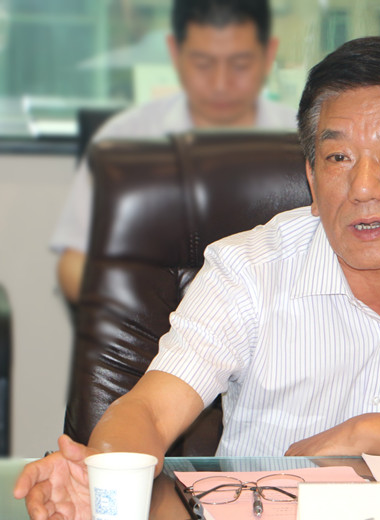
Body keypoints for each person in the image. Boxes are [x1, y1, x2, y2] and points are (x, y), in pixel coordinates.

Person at [15, 36, 380, 520]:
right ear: (311, 177)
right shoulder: (247, 269)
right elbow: (149, 413)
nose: (363, 187)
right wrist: (104, 478)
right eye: (337, 157)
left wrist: (367, 435)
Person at [52, 0, 296, 303]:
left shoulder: (302, 141)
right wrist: (136, 312)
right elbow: (73, 263)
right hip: (152, 323)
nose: (221, 84)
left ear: (269, 54)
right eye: (203, 64)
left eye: (240, 65)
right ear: (174, 53)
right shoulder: (124, 140)